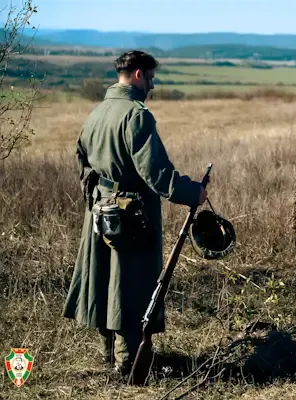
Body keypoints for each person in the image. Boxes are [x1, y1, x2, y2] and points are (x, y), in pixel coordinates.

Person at [62, 50, 208, 377]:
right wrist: (192, 193)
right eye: (152, 78)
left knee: (104, 281)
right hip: (131, 217)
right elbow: (156, 173)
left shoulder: (97, 112)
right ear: (139, 75)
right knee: (131, 287)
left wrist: (101, 197)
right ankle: (130, 366)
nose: (153, 86)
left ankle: (109, 355)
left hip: (100, 210)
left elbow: (82, 163)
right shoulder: (136, 115)